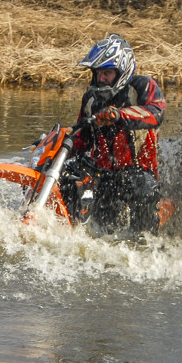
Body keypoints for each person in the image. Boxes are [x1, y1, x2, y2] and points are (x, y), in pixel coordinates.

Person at [64, 33, 166, 234]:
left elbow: (157, 112)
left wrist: (118, 115)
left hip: (138, 173)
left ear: (121, 72)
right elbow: (82, 139)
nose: (101, 78)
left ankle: (146, 244)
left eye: (107, 73)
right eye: (98, 73)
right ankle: (62, 230)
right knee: (67, 177)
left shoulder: (142, 86)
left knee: (144, 193)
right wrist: (59, 143)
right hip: (103, 175)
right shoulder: (91, 99)